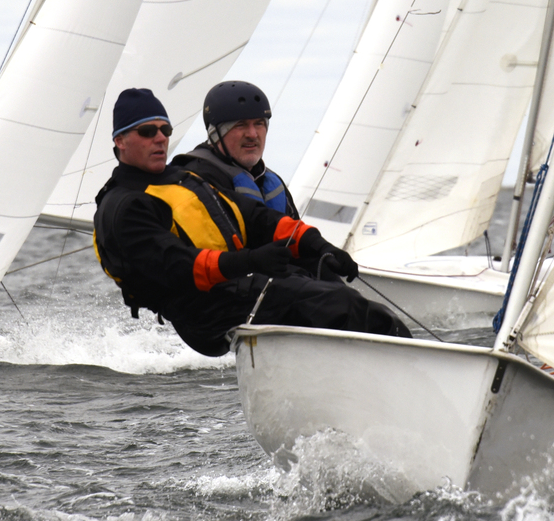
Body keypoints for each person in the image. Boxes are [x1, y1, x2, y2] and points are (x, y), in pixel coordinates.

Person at [92, 88, 410, 356]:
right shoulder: (124, 205)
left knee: (345, 297)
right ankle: (408, 368)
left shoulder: (183, 179)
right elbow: (178, 266)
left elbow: (254, 217)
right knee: (334, 303)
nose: (160, 139)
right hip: (203, 312)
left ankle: (388, 362)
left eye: (166, 130)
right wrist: (252, 260)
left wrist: (317, 244)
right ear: (120, 141)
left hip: (233, 289)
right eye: (148, 132)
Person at [173, 80, 297, 217]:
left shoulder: (271, 181)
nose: (252, 134)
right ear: (215, 133)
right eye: (240, 125)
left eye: (259, 124)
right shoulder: (194, 182)